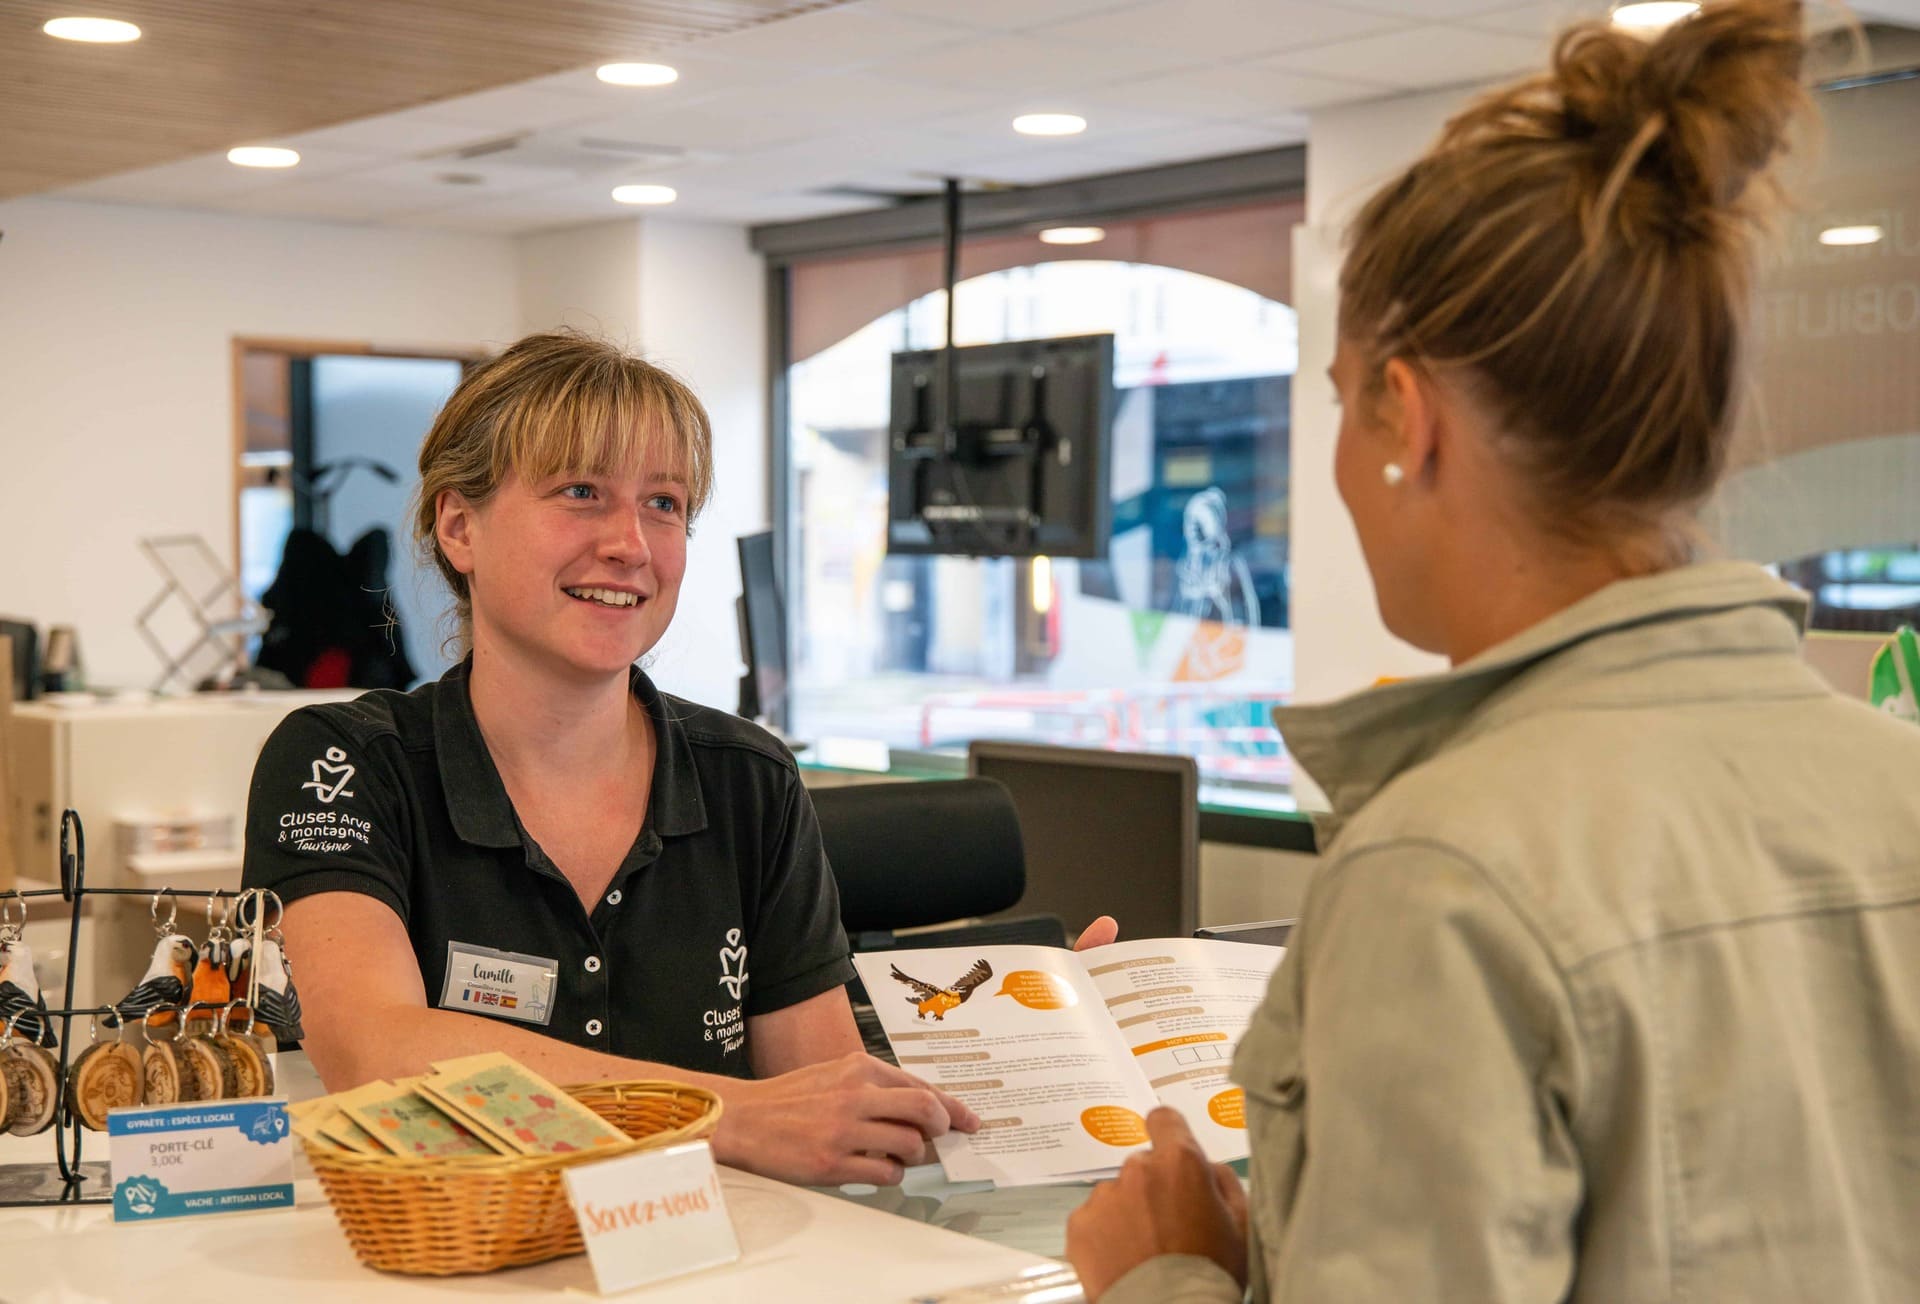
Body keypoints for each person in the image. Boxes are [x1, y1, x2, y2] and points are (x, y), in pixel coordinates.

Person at [1066, 2, 1920, 1300]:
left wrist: (1166, 1275)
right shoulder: (1894, 788)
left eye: (1344, 401)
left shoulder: (1444, 868)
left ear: (1407, 416)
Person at [242, 331, 1114, 1187]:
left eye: (664, 504)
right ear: (460, 527)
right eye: (582, 491)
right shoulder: (347, 763)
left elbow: (822, 1099)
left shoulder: (751, 780)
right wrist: (722, 1114)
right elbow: (377, 1051)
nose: (632, 544)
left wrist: (1028, 1045)